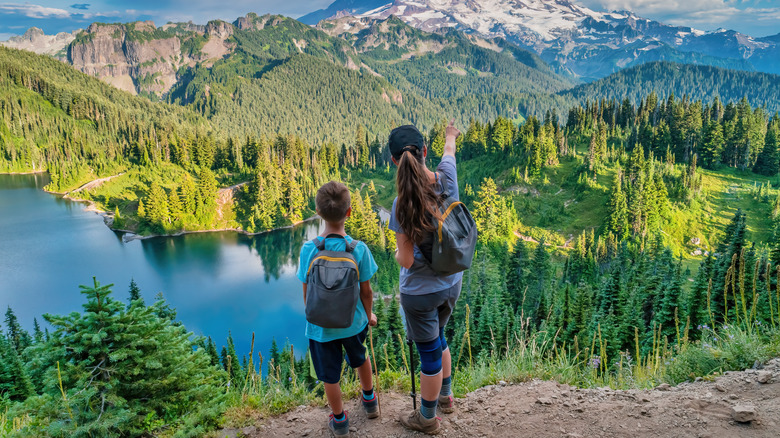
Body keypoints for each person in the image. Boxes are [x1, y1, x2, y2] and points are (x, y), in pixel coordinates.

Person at [388, 120, 462, 434]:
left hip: (419, 294)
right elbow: (450, 152)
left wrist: (394, 251)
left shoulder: (400, 205)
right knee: (440, 338)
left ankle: (427, 418)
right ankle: (446, 397)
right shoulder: (447, 178)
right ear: (424, 152)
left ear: (394, 161)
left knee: (429, 353)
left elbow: (405, 259)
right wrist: (450, 135)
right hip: (451, 283)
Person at [297, 181, 380, 437]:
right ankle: (369, 401)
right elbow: (366, 292)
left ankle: (340, 420)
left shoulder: (309, 249)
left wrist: (315, 317)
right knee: (361, 357)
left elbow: (306, 293)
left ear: (318, 213)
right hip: (353, 323)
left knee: (330, 375)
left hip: (320, 328)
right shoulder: (358, 249)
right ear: (349, 212)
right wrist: (368, 317)